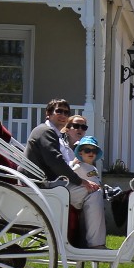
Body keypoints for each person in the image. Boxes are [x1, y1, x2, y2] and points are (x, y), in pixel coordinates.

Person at [25, 98, 107, 247]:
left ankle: (85, 241)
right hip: (45, 186)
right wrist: (81, 181)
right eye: (59, 111)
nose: (63, 115)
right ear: (48, 114)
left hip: (51, 183)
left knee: (93, 190)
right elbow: (56, 162)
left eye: (66, 112)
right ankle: (95, 244)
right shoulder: (45, 131)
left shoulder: (52, 134)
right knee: (94, 193)